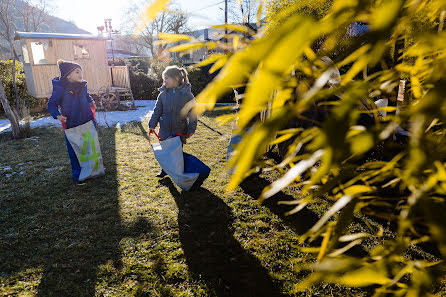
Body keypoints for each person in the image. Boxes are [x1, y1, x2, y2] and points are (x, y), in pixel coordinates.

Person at [47, 59, 97, 181]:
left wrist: (91, 102)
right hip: (71, 124)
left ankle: (94, 169)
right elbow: (51, 104)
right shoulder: (60, 89)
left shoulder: (83, 86)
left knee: (91, 147)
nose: (81, 75)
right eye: (77, 72)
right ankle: (79, 174)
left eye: (81, 72)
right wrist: (58, 116)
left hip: (88, 122)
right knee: (75, 150)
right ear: (68, 75)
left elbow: (87, 95)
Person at [148, 65, 197, 177]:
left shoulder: (187, 95)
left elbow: (193, 113)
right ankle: (165, 169)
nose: (164, 81)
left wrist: (191, 129)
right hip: (164, 130)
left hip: (179, 130)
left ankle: (178, 171)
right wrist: (152, 124)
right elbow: (157, 111)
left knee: (176, 152)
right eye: (163, 79)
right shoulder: (162, 95)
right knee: (165, 152)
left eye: (166, 79)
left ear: (176, 79)